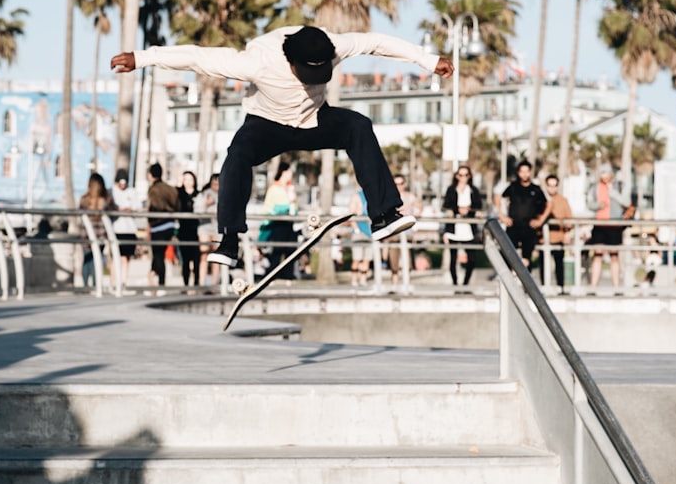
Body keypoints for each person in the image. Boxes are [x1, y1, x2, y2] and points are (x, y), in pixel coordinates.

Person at [110, 25, 455, 268]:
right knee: (237, 155)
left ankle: (383, 215)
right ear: (290, 62)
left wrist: (427, 60)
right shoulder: (257, 60)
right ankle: (230, 239)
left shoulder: (333, 45)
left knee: (358, 127)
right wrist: (141, 57)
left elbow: (377, 42)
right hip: (266, 126)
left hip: (314, 121)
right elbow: (197, 57)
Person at [495, 160, 550, 269]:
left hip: (529, 228)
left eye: (527, 171)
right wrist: (502, 215)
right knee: (508, 255)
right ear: (518, 173)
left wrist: (540, 220)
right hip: (513, 226)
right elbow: (497, 197)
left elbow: (549, 204)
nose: (524, 174)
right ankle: (509, 282)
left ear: (530, 172)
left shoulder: (536, 189)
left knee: (526, 259)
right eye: (522, 171)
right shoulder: (513, 187)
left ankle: (526, 284)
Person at [585, 164, 631, 288]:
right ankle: (593, 286)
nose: (604, 176)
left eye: (606, 173)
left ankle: (616, 286)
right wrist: (598, 205)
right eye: (602, 173)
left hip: (615, 225)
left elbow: (627, 202)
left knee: (614, 256)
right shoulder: (595, 187)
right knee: (598, 254)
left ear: (611, 174)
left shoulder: (620, 186)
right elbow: (589, 204)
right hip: (600, 224)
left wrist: (613, 193)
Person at [443, 165, 483, 286]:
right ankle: (455, 283)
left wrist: (469, 210)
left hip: (469, 228)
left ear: (469, 176)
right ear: (456, 176)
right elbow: (447, 205)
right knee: (453, 258)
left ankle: (465, 283)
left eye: (466, 175)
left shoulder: (473, 190)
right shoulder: (451, 189)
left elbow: (479, 206)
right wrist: (458, 210)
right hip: (454, 227)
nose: (463, 178)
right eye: (461, 175)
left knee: (471, 258)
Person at [79, 172, 117, 288]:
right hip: (100, 234)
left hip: (86, 234)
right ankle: (96, 286)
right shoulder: (105, 199)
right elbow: (114, 210)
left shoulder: (84, 199)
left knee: (87, 260)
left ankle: (86, 286)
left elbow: (80, 215)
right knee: (96, 260)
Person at [261, 162, 299, 277]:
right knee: (276, 253)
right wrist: (284, 208)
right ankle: (270, 278)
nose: (291, 174)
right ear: (283, 172)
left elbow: (294, 207)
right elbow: (268, 207)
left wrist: (292, 205)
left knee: (291, 252)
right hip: (277, 224)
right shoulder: (274, 188)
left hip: (290, 224)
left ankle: (288, 278)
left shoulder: (291, 188)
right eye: (289, 171)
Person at [146, 162, 179, 287]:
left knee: (158, 254)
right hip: (170, 224)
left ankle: (160, 283)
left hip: (158, 224)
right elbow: (177, 204)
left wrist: (150, 223)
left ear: (151, 175)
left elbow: (154, 206)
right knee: (160, 254)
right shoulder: (170, 189)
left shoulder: (153, 189)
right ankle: (153, 277)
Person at [541, 174, 574, 291]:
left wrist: (567, 232)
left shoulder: (563, 201)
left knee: (559, 263)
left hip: (558, 237)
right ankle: (543, 287)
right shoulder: (540, 199)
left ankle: (561, 287)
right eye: (550, 185)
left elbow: (569, 219)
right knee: (543, 264)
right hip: (543, 238)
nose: (552, 188)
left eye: (554, 186)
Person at [388, 173, 422, 284]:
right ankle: (394, 284)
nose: (399, 186)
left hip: (407, 231)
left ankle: (406, 283)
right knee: (394, 260)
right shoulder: (389, 197)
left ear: (404, 184)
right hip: (394, 232)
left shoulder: (410, 196)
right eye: (396, 184)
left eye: (401, 183)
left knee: (407, 260)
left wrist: (414, 216)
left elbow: (419, 207)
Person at [111, 169, 140, 288]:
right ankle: (113, 281)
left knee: (125, 257)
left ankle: (123, 281)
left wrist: (129, 209)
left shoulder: (132, 192)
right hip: (115, 228)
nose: (123, 186)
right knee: (114, 256)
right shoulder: (111, 191)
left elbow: (137, 206)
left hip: (129, 228)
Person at [176, 170, 201, 287]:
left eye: (190, 179)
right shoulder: (179, 194)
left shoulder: (199, 194)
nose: (187, 182)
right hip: (183, 230)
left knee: (196, 259)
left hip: (196, 230)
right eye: (185, 179)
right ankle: (185, 284)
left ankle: (196, 283)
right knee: (185, 260)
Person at [196, 174, 220, 287]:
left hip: (217, 227)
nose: (216, 186)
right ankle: (202, 284)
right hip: (205, 226)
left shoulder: (224, 195)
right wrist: (206, 204)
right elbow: (197, 210)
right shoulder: (204, 194)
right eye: (214, 184)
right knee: (204, 254)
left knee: (216, 257)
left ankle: (214, 285)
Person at [348, 182, 372, 288]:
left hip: (370, 232)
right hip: (359, 231)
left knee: (367, 258)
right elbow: (351, 214)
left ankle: (363, 279)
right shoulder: (356, 196)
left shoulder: (372, 195)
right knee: (357, 258)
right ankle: (354, 280)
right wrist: (356, 229)